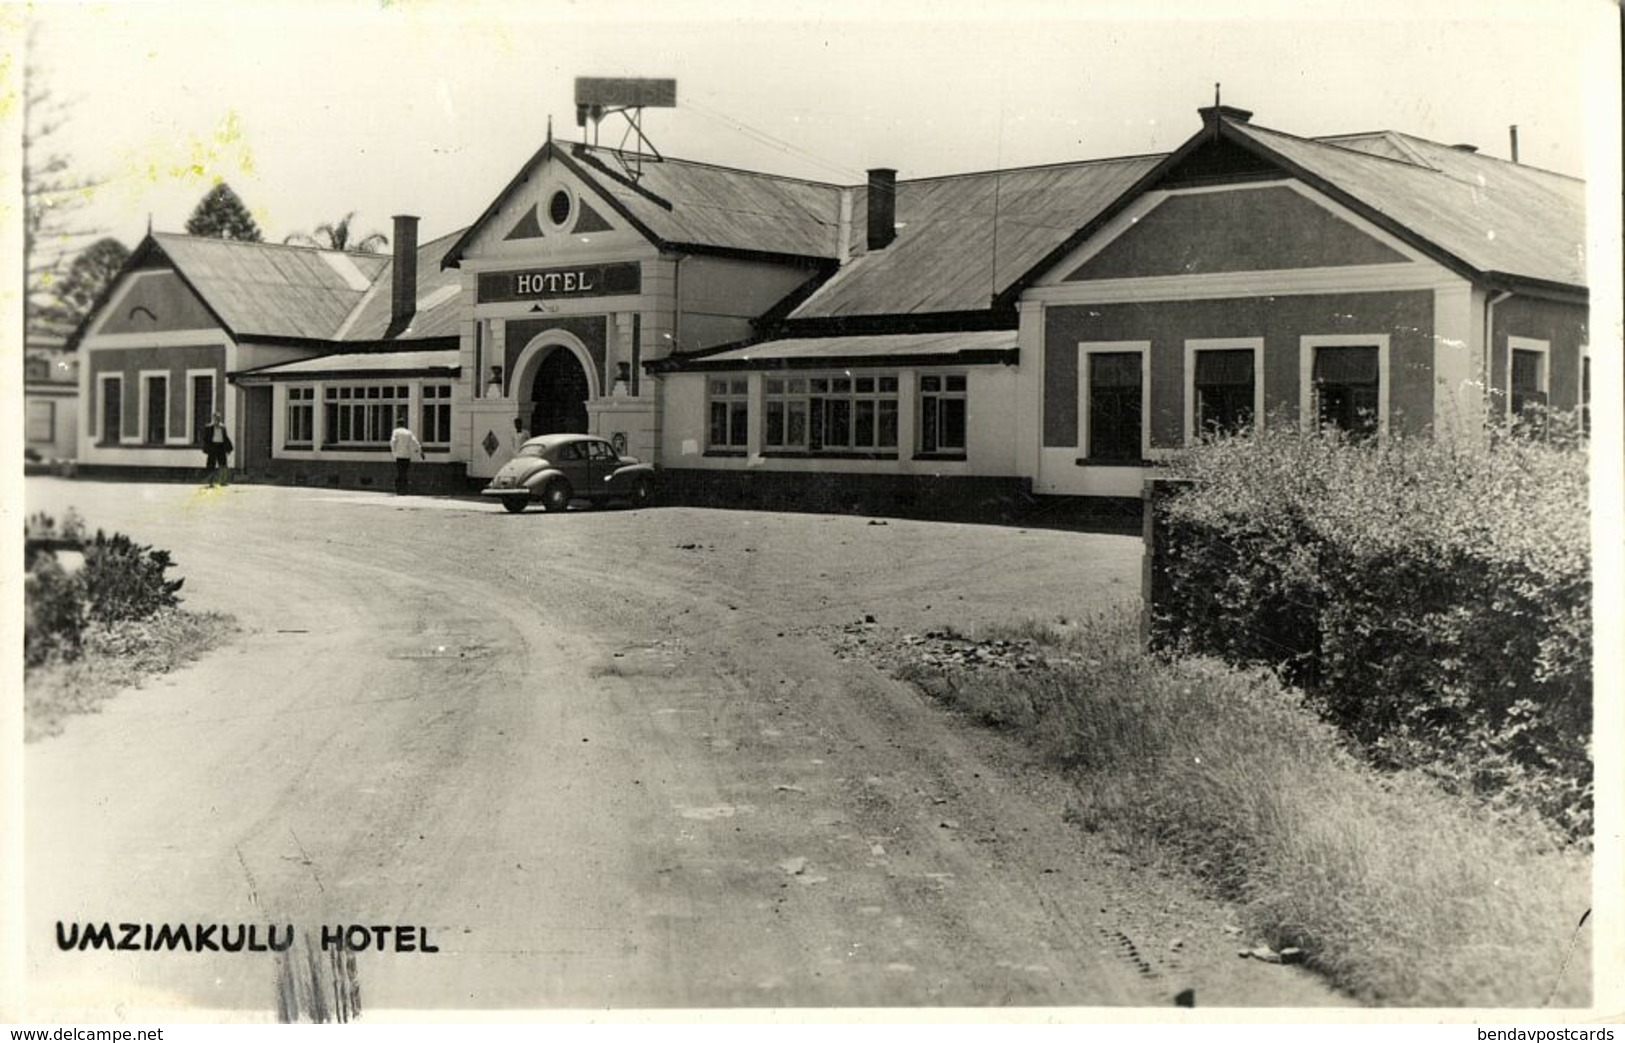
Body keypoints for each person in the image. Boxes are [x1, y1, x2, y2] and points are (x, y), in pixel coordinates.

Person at [389, 413, 425, 496]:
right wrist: (420, 451)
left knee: (400, 472)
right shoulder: (408, 433)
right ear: (404, 424)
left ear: (398, 424)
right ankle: (404, 489)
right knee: (405, 472)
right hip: (407, 456)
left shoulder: (396, 432)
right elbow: (415, 442)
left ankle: (399, 489)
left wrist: (393, 452)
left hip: (399, 456)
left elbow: (393, 441)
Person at [199, 411, 233, 487]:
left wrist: (229, 448)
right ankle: (211, 482)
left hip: (221, 446)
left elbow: (225, 438)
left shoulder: (223, 427)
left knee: (223, 464)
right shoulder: (209, 428)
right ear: (213, 419)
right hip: (212, 447)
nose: (217, 420)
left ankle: (223, 481)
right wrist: (205, 448)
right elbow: (205, 439)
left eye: (218, 418)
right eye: (215, 418)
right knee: (211, 465)